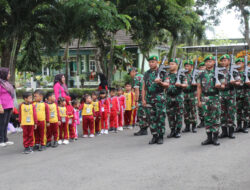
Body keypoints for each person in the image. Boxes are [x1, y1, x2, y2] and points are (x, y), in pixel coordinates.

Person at [197, 55, 225, 146]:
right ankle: (209, 138)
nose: (208, 63)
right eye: (207, 62)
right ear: (205, 63)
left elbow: (223, 85)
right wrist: (199, 100)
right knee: (207, 118)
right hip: (205, 98)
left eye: (210, 61)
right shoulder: (201, 74)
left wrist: (220, 86)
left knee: (216, 118)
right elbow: (199, 88)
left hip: (215, 97)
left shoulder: (219, 73)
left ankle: (215, 138)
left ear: (214, 62)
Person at [142, 55, 168, 144]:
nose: (151, 63)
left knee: (160, 117)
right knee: (151, 118)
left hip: (159, 97)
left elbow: (167, 84)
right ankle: (154, 136)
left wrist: (160, 82)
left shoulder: (163, 72)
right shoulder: (146, 73)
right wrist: (143, 99)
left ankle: (161, 136)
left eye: (153, 62)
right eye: (149, 62)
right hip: (149, 98)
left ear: (157, 62)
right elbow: (144, 87)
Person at [218, 54, 241, 139]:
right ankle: (224, 132)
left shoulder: (234, 70)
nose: (224, 62)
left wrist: (234, 82)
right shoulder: (218, 71)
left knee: (231, 113)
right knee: (222, 113)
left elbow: (239, 82)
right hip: (221, 94)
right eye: (222, 61)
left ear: (229, 61)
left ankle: (231, 131)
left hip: (231, 93)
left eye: (225, 60)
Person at [165, 58, 188, 138]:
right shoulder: (166, 75)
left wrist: (180, 85)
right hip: (168, 97)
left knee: (179, 114)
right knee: (170, 115)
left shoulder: (181, 74)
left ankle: (178, 131)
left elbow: (185, 84)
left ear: (177, 65)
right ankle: (172, 130)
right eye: (170, 64)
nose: (170, 66)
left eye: (172, 64)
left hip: (178, 97)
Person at [129, 68, 149, 136]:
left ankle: (143, 129)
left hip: (140, 97)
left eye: (130, 73)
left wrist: (136, 101)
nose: (130, 75)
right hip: (146, 96)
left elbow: (137, 90)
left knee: (141, 113)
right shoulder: (142, 76)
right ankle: (145, 129)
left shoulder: (136, 78)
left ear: (133, 72)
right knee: (145, 113)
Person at [0, 67, 15, 147]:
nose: (9, 75)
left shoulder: (7, 83)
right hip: (3, 106)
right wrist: (0, 106)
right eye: (8, 73)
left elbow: (11, 95)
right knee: (1, 123)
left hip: (9, 105)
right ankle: (1, 140)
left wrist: (12, 105)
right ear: (4, 74)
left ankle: (5, 139)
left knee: (6, 123)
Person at [235, 58, 250, 133]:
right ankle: (239, 125)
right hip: (237, 93)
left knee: (246, 110)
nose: (239, 64)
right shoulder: (234, 73)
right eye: (237, 63)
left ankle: (245, 126)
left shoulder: (248, 72)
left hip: (246, 93)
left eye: (241, 62)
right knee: (238, 110)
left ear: (244, 63)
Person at [182, 60, 197, 133]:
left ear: (192, 67)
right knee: (186, 111)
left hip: (192, 94)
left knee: (193, 110)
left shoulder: (195, 74)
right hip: (184, 94)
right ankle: (187, 126)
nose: (186, 67)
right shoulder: (182, 74)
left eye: (188, 66)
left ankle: (194, 126)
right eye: (185, 66)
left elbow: (199, 84)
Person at [197, 62, 206, 128]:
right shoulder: (198, 75)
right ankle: (202, 121)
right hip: (199, 93)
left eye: (203, 67)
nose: (202, 68)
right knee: (200, 108)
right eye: (200, 67)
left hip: (206, 93)